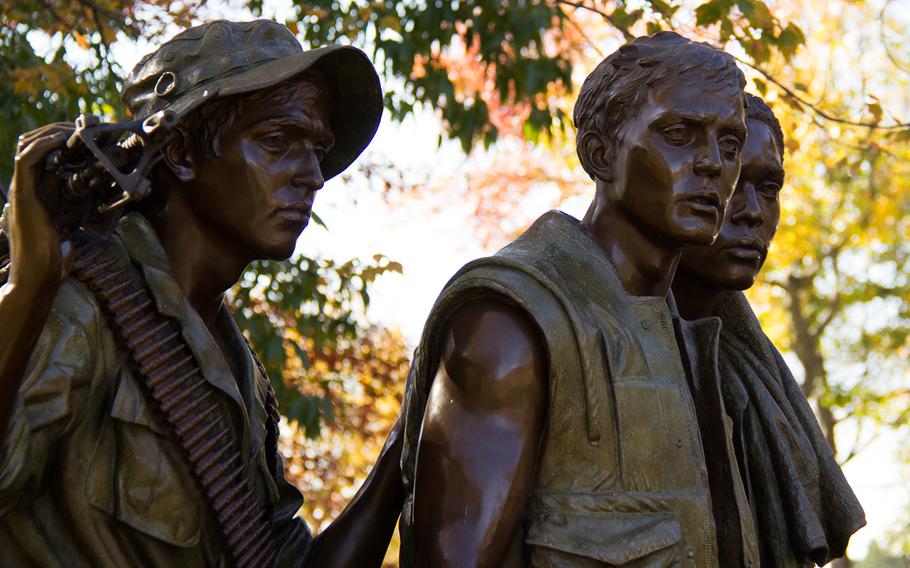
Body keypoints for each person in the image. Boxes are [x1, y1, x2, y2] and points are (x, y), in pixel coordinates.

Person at [0, 19, 401, 567]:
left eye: (317, 148)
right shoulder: (78, 308)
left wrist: (405, 450)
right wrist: (25, 296)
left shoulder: (241, 376)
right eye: (277, 141)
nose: (312, 174)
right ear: (183, 153)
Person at [399, 31, 761, 567]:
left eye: (728, 143)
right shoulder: (510, 324)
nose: (712, 164)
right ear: (600, 153)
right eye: (680, 133)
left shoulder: (708, 340)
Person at [671, 93, 865, 567]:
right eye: (734, 183)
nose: (753, 212)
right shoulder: (594, 338)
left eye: (769, 188)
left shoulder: (756, 373)